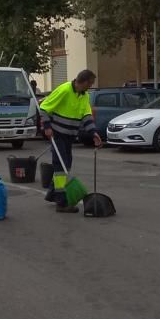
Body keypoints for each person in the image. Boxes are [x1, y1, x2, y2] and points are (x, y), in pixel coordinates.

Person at [40, 70, 101, 213]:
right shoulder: (65, 89)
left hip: (69, 136)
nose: (91, 86)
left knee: (66, 165)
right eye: (91, 83)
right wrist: (47, 127)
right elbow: (44, 108)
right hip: (58, 134)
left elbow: (86, 116)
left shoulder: (84, 96)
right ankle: (61, 203)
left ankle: (52, 194)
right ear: (84, 82)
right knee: (61, 167)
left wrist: (93, 133)